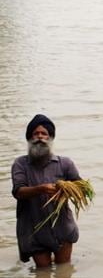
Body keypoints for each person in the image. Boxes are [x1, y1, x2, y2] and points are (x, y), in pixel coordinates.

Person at [11, 114, 82, 267]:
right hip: (34, 229)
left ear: (50, 138)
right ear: (29, 138)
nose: (40, 137)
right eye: (36, 134)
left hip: (62, 228)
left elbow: (80, 187)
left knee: (64, 270)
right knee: (42, 273)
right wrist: (40, 189)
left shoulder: (65, 163)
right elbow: (18, 192)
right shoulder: (20, 164)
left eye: (44, 134)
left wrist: (65, 191)